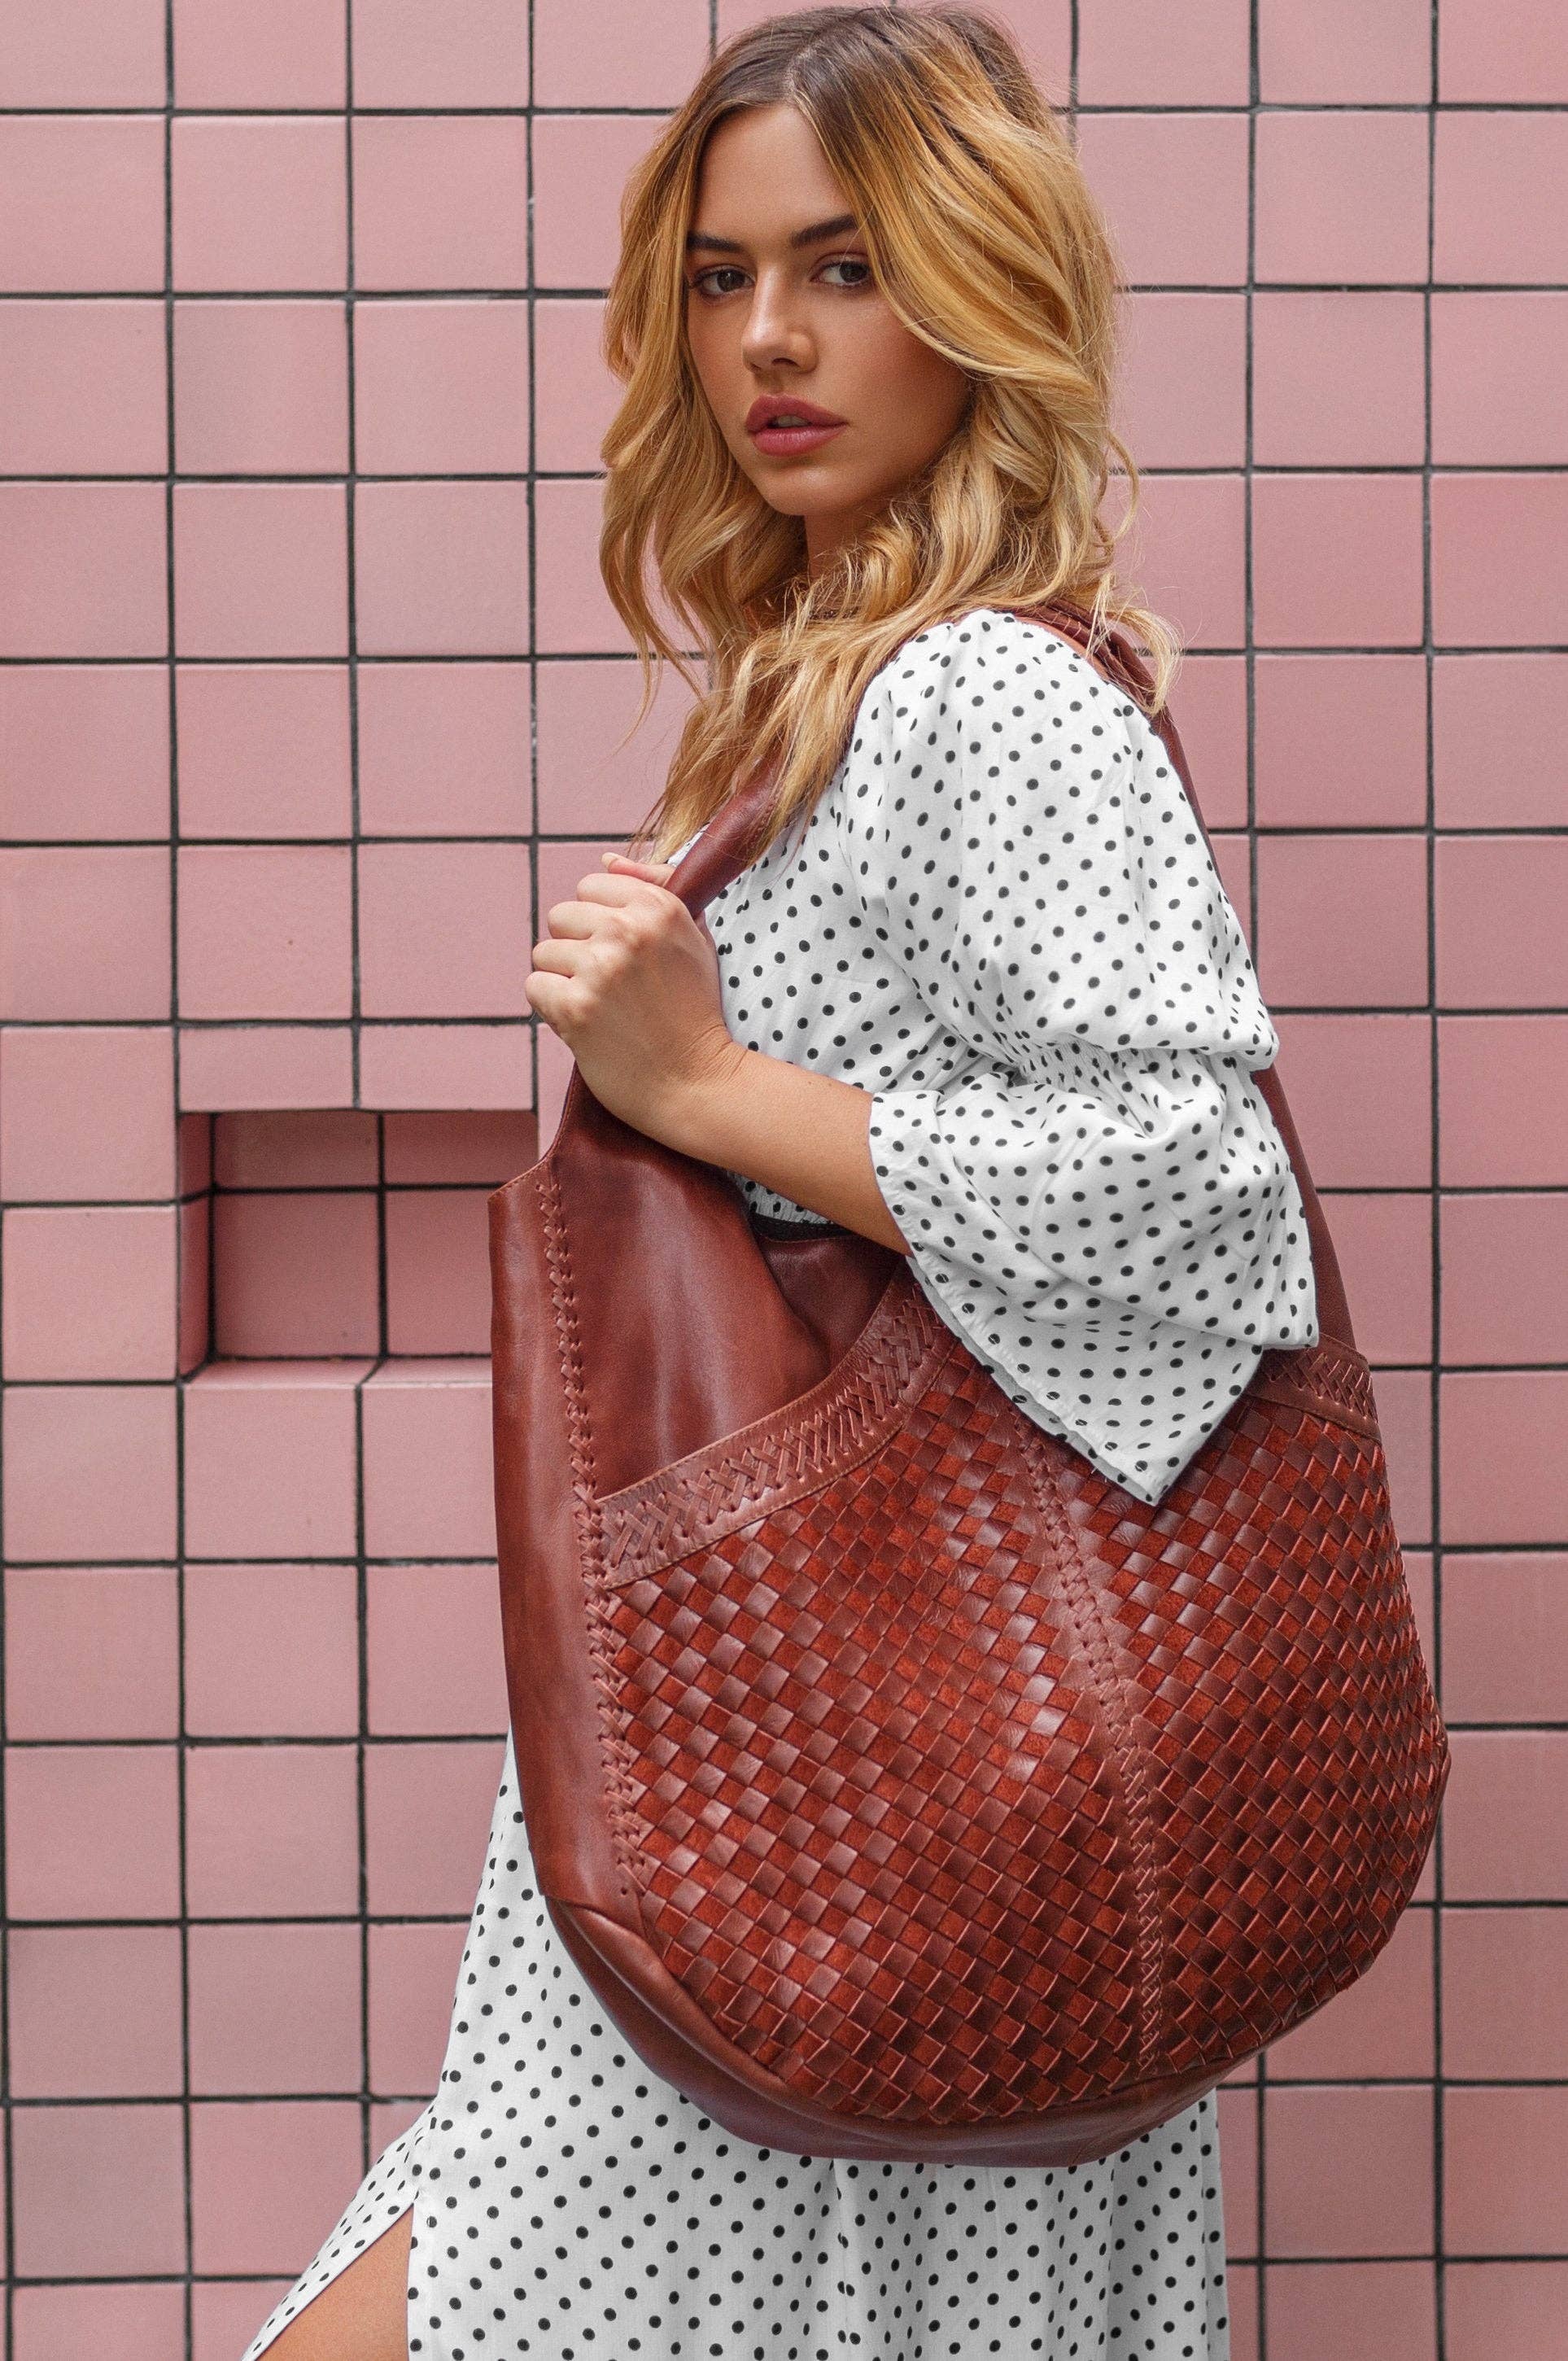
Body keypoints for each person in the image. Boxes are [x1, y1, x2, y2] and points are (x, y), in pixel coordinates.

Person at [241, 7, 1316, 2356]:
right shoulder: (838, 674)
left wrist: (707, 1087)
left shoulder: (978, 693)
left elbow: (1197, 1194)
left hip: (850, 1771)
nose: (769, 343)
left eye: (845, 265)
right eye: (721, 279)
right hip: (827, 1761)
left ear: (983, 281)